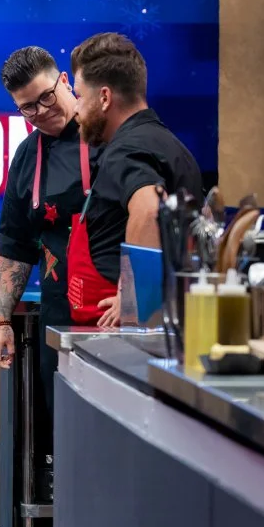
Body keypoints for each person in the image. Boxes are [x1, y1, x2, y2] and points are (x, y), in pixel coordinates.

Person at [0, 46, 100, 519]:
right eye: (26, 108)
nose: (40, 113)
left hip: (118, 321)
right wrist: (0, 321)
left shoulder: (112, 139)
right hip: (60, 323)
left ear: (65, 81)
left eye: (46, 98)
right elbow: (14, 244)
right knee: (66, 443)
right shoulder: (27, 157)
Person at [68, 32, 203, 327]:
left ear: (104, 98)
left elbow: (150, 210)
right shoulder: (172, 147)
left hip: (127, 337)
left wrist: (132, 299)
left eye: (79, 97)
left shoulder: (124, 150)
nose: (75, 108)